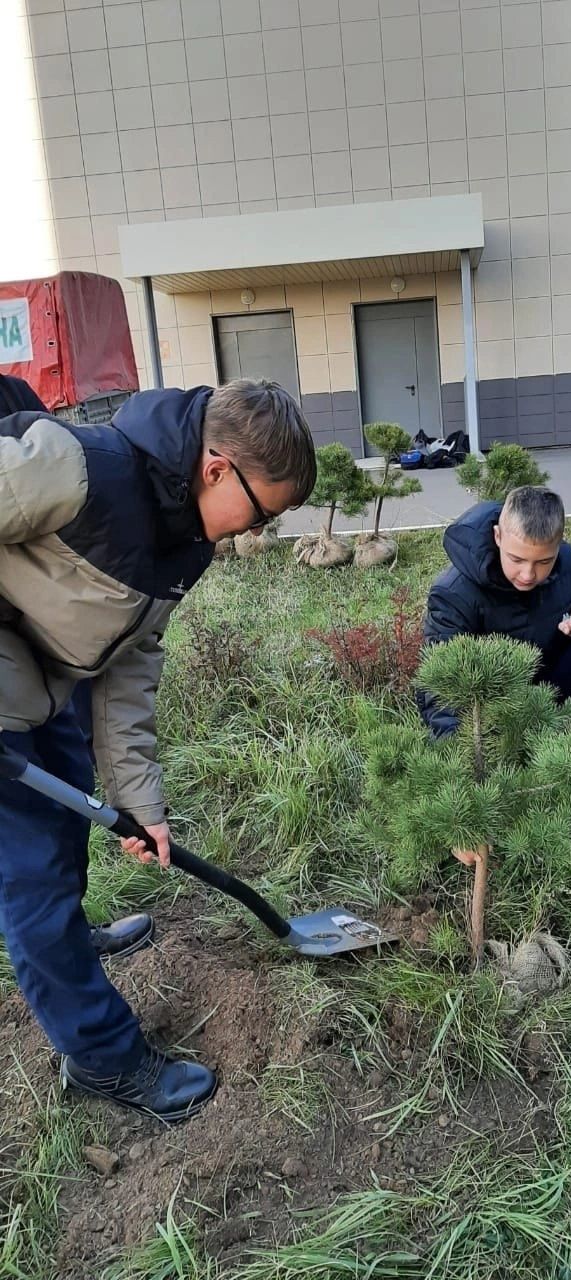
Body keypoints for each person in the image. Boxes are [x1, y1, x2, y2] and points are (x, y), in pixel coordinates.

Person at [0, 379, 316, 1121]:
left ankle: (74, 933)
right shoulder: (73, 467)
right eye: (263, 511)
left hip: (46, 686)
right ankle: (103, 1059)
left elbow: (127, 670)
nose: (256, 532)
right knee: (34, 882)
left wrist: (142, 805)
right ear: (215, 469)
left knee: (72, 814)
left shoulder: (184, 543)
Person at [418, 485, 571, 865]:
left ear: (558, 545)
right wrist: (460, 805)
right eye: (516, 559)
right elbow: (440, 692)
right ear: (498, 535)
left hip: (549, 682)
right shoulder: (453, 593)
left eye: (543, 562)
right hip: (493, 710)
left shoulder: (565, 564)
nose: (528, 574)